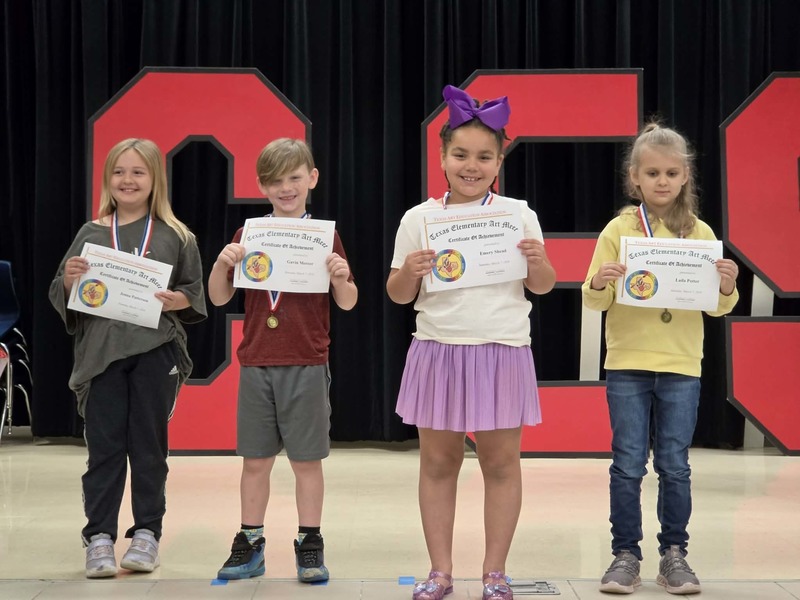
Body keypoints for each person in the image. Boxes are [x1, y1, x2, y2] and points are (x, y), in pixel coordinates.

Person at [386, 85, 556, 600]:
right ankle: (440, 572)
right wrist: (411, 272)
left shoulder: (518, 214)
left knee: (501, 465)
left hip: (502, 349)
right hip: (438, 348)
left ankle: (495, 574)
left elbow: (543, 285)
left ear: (499, 160)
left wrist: (536, 261)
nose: (471, 165)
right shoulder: (419, 219)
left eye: (484, 156)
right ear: (441, 158)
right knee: (439, 464)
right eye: (460, 154)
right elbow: (396, 294)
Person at [582, 123, 739, 595]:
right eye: (652, 173)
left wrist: (728, 283)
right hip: (628, 362)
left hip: (681, 364)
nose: (662, 181)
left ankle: (675, 556)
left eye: (672, 172)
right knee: (628, 462)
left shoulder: (702, 232)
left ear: (686, 175)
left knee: (675, 464)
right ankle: (625, 555)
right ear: (635, 178)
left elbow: (718, 306)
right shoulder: (618, 230)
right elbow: (594, 300)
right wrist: (602, 279)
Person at [49, 138, 207, 578]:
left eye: (138, 172)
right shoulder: (92, 233)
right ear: (108, 179)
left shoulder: (177, 235)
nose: (128, 180)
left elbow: (194, 295)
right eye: (119, 171)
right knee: (104, 449)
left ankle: (147, 534)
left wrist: (177, 300)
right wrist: (68, 281)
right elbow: (61, 291)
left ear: (155, 178)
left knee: (149, 447)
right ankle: (98, 536)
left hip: (156, 352)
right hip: (102, 356)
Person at [208, 138, 357, 583]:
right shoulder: (247, 235)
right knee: (255, 460)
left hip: (307, 361)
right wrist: (221, 264)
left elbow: (348, 302)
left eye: (294, 178)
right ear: (262, 186)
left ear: (311, 179)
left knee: (307, 462)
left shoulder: (325, 235)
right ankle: (250, 543)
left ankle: (309, 542)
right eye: (275, 181)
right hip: (257, 361)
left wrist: (341, 278)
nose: (285, 188)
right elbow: (220, 297)